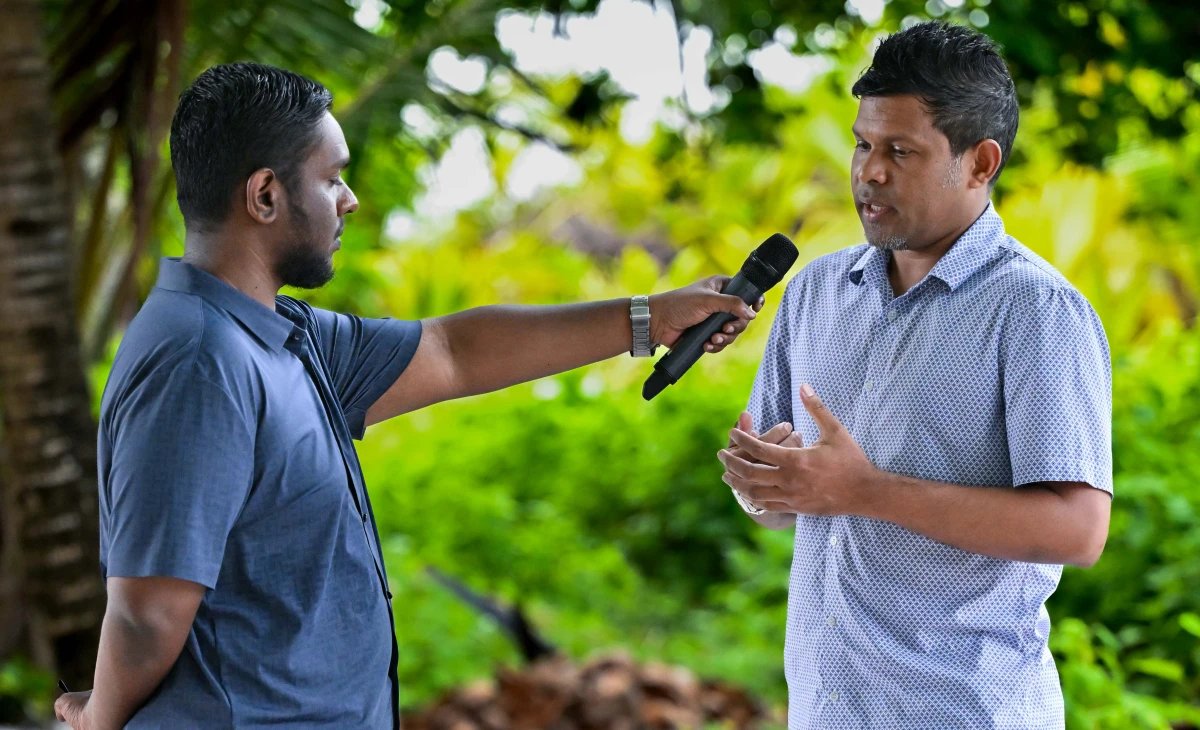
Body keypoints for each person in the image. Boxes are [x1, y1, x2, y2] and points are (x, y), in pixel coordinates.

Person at [53, 62, 764, 730]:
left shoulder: (284, 336)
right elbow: (148, 611)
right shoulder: (199, 362)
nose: (349, 200)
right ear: (265, 195)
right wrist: (98, 720)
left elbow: (452, 352)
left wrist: (650, 319)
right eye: (332, 179)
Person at [717, 21, 1112, 729]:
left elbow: (1078, 530)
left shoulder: (1037, 310)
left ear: (980, 162)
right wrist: (762, 488)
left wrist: (865, 490)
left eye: (900, 151)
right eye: (862, 144)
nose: (869, 172)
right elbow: (782, 503)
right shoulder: (814, 292)